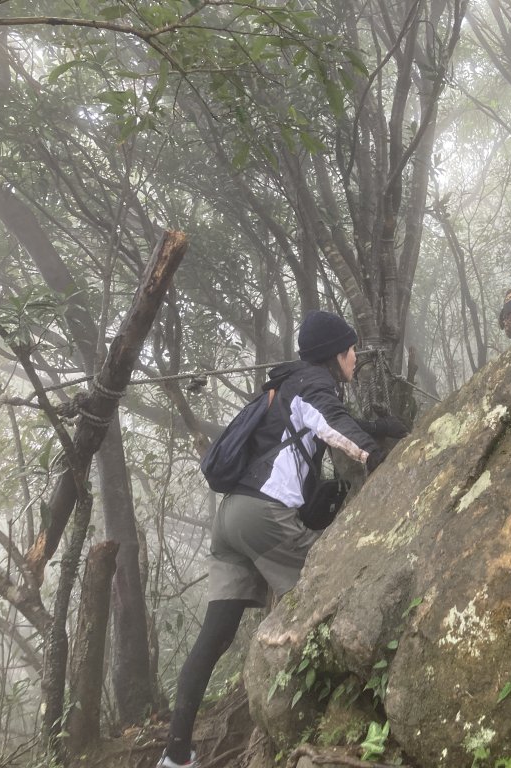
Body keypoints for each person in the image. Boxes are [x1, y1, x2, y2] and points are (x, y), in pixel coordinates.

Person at [158, 310, 408, 768]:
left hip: (232, 515)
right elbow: (328, 420)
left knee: (214, 637)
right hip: (263, 515)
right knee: (324, 593)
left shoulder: (283, 386)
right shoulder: (314, 383)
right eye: (352, 351)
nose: (356, 359)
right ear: (338, 354)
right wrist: (384, 460)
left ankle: (176, 755)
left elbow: (317, 422)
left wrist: (380, 427)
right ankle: (324, 717)